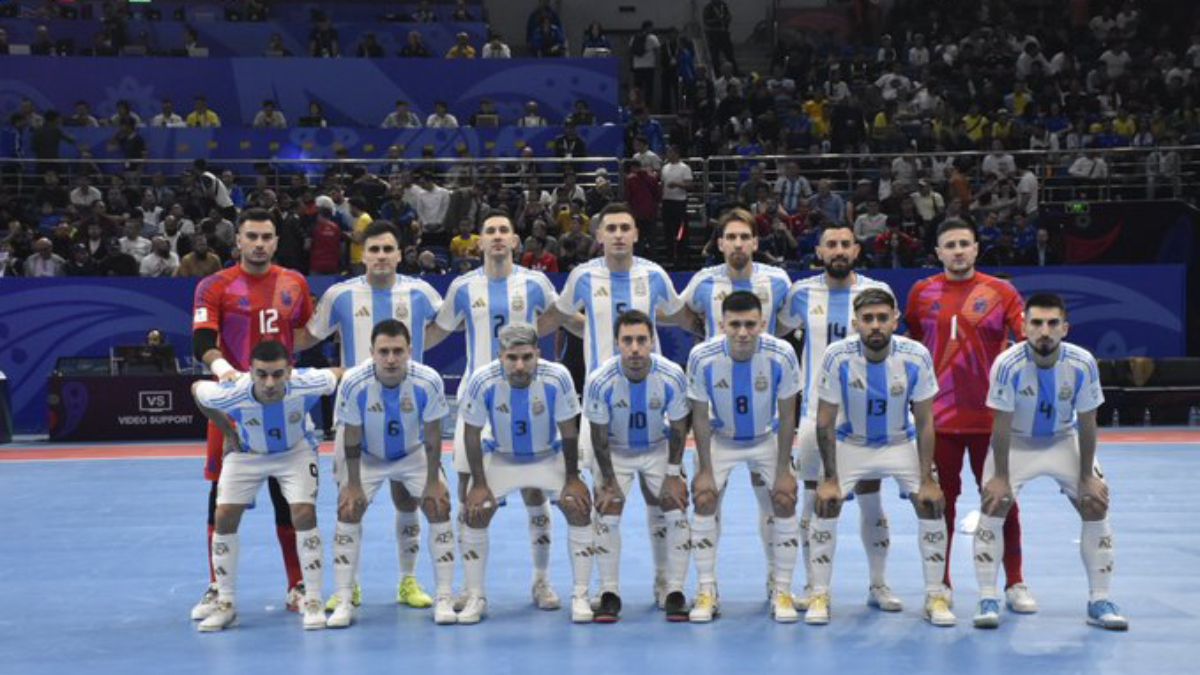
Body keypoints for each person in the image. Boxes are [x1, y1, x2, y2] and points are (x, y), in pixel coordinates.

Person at [425, 210, 576, 611]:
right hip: (477, 402)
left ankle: (541, 581)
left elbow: (561, 318)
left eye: (503, 230)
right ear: (479, 241)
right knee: (468, 494)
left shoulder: (535, 283)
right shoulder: (462, 286)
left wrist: (606, 328)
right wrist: (396, 351)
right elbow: (438, 331)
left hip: (529, 397)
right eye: (489, 230)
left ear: (514, 241)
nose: (496, 236)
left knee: (535, 489)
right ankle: (470, 586)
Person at [293, 221, 443, 611]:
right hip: (355, 420)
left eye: (387, 249)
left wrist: (417, 349)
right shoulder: (340, 295)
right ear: (363, 254)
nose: (380, 256)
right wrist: (258, 341)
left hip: (408, 417)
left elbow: (443, 326)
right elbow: (308, 337)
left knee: (407, 501)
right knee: (350, 504)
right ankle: (349, 587)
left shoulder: (421, 292)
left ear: (400, 254)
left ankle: (408, 581)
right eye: (373, 249)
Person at [189, 208, 315, 624]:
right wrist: (228, 374)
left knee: (289, 497)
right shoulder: (214, 285)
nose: (259, 244)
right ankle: (217, 587)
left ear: (276, 241)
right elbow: (202, 340)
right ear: (238, 241)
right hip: (233, 405)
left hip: (283, 404)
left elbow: (304, 334)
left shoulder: (294, 282)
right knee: (221, 501)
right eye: (252, 237)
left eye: (266, 237)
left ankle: (298, 585)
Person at [972, 294, 1127, 631]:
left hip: (1062, 439)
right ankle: (987, 597)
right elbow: (1000, 424)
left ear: (1065, 328)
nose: (1045, 331)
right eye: (1037, 323)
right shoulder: (1007, 364)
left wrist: (1086, 476)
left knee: (1096, 503)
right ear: (1024, 327)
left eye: (1053, 323)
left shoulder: (1082, 362)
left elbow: (1087, 421)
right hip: (1016, 441)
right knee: (994, 502)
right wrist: (1000, 477)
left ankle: (1100, 600)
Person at [904, 219, 1034, 612]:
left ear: (976, 248)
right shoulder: (921, 293)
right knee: (938, 504)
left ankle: (1015, 582)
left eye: (964, 243)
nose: (958, 251)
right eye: (950, 245)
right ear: (938, 252)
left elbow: (1027, 342)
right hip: (938, 422)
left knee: (1002, 501)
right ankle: (940, 584)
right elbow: (913, 348)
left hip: (991, 421)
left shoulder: (1001, 292)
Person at [807, 288, 953, 626]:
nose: (875, 325)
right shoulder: (837, 355)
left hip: (900, 441)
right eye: (868, 319)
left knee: (931, 503)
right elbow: (825, 420)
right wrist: (829, 479)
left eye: (882, 318)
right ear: (855, 323)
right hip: (852, 442)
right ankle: (819, 593)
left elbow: (926, 420)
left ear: (895, 320)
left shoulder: (915, 355)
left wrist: (927, 479)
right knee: (826, 503)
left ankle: (934, 595)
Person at [778, 221, 898, 610]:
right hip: (815, 416)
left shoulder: (876, 293)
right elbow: (777, 330)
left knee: (870, 499)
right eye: (831, 244)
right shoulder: (800, 293)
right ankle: (815, 587)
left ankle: (878, 585)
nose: (839, 250)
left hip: (864, 417)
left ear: (857, 250)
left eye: (846, 243)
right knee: (813, 502)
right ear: (819, 251)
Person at [191, 340, 342, 631]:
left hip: (295, 453)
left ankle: (312, 599)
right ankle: (226, 603)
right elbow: (197, 390)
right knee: (223, 515)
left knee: (303, 513)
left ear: (289, 372)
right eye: (261, 374)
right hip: (248, 453)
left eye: (277, 374)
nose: (269, 383)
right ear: (250, 372)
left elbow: (342, 374)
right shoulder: (233, 390)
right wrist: (226, 430)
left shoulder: (308, 382)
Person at [676, 208, 790, 590]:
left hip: (763, 405)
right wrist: (706, 335)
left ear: (755, 242)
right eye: (731, 237)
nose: (738, 244)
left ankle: (777, 582)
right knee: (708, 497)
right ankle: (707, 587)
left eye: (745, 237)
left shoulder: (777, 281)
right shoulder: (703, 281)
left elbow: (787, 322)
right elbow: (683, 314)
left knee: (772, 500)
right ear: (721, 244)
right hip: (717, 404)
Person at [457, 323, 594, 623]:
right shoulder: (482, 380)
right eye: (512, 358)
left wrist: (573, 479)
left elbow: (569, 431)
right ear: (500, 356)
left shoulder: (558, 376)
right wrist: (478, 484)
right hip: (502, 456)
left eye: (527, 357)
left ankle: (572, 592)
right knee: (475, 511)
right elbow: (471, 433)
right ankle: (475, 594)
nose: (519, 365)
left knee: (579, 507)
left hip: (547, 456)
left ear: (538, 354)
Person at [327, 320, 456, 627]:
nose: (391, 359)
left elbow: (433, 434)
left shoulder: (428, 380)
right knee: (349, 509)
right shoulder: (354, 382)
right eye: (383, 351)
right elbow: (351, 435)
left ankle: (439, 594)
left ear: (409, 351)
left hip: (412, 452)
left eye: (398, 351)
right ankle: (346, 594)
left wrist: (432, 482)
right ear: (371, 352)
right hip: (365, 454)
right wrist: (353, 484)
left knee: (438, 506)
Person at [685, 290, 802, 623]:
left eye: (750, 324)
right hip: (721, 439)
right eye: (734, 324)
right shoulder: (701, 356)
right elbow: (699, 416)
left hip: (765, 438)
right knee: (704, 498)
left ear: (763, 324)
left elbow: (788, 415)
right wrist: (704, 470)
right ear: (721, 324)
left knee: (784, 499)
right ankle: (706, 590)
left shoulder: (782, 353)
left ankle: (781, 589)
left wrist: (784, 470)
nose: (742, 332)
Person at [584, 311, 693, 622]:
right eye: (627, 341)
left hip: (657, 447)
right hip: (615, 450)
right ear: (617, 343)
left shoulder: (671, 375)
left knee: (675, 505)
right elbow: (598, 437)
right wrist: (608, 481)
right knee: (608, 509)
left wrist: (673, 474)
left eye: (642, 340)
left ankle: (673, 589)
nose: (635, 348)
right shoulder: (600, 380)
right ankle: (609, 592)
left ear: (652, 342)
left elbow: (679, 427)